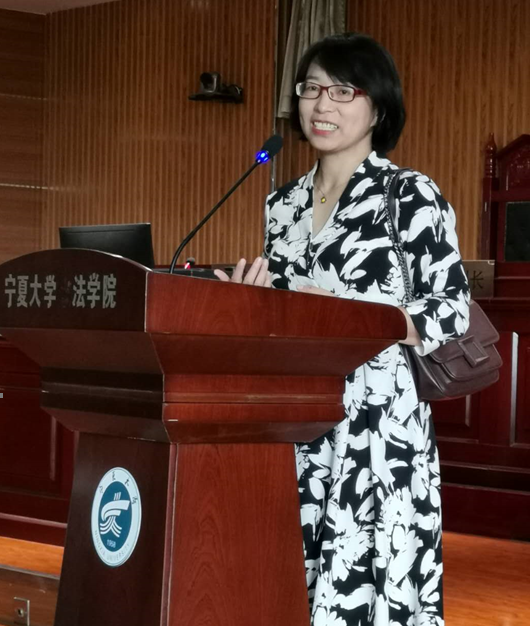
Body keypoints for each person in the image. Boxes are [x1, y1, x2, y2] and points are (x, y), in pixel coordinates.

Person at [215, 32, 470, 626]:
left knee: (371, 586)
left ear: (377, 108)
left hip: (377, 428)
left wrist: (343, 311)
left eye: (342, 91)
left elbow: (451, 310)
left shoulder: (409, 195)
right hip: (297, 420)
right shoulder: (282, 205)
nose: (321, 105)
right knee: (292, 584)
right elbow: (287, 314)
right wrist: (252, 302)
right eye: (311, 89)